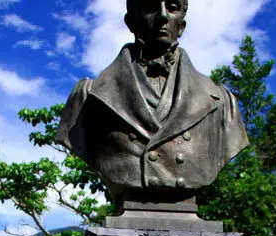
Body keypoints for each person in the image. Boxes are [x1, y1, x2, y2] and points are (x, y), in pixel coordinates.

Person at [56, 0, 249, 210]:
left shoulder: (221, 102)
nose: (163, 16)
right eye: (150, 7)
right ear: (130, 21)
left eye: (172, 7)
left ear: (182, 26)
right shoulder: (88, 97)